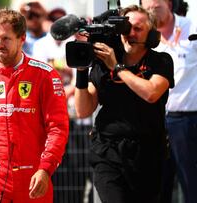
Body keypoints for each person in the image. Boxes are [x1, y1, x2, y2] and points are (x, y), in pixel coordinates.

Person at [0, 8, 69, 203]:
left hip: (32, 177)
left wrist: (45, 168)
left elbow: (57, 128)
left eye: (6, 39)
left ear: (21, 39)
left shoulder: (45, 75)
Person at [74, 5, 174, 203]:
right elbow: (83, 110)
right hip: (108, 152)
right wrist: (82, 72)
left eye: (138, 28)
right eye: (127, 28)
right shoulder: (103, 63)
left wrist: (117, 68)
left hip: (148, 155)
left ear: (152, 34)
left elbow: (151, 93)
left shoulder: (160, 61)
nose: (131, 34)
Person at [141, 1, 197, 203]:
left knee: (191, 185)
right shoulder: (140, 34)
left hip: (186, 122)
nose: (152, 12)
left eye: (157, 7)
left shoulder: (193, 27)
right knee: (156, 188)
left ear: (170, 4)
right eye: (147, 8)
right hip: (153, 121)